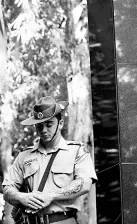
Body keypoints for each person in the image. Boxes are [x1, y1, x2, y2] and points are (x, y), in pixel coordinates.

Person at [2, 96, 97, 224]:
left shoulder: (77, 151)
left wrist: (51, 196)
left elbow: (84, 184)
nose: (44, 130)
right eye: (39, 126)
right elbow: (7, 189)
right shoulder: (24, 156)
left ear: (60, 124)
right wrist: (22, 197)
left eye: (49, 125)